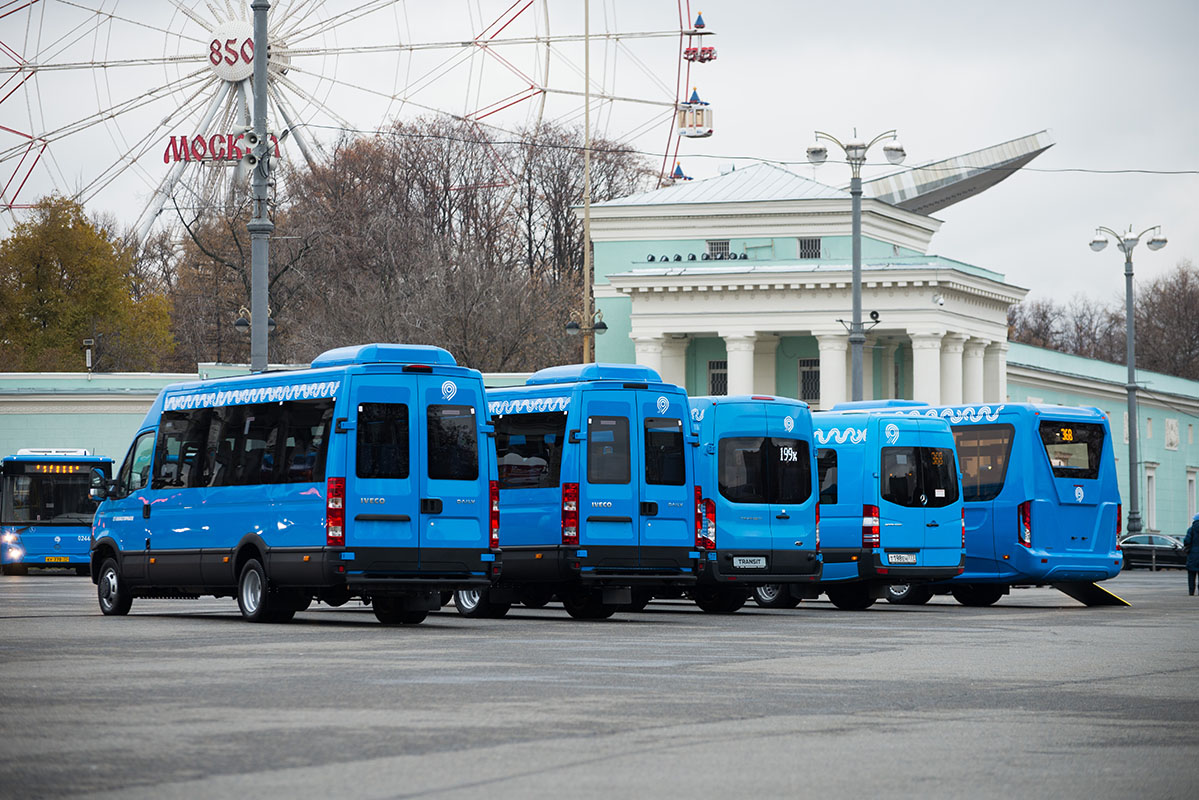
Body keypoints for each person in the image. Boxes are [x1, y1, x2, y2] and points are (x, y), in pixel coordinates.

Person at [1184, 513, 1199, 596]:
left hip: (1193, 554)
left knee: (1191, 574)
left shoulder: (1191, 529)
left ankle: (1191, 591)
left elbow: (1187, 541)